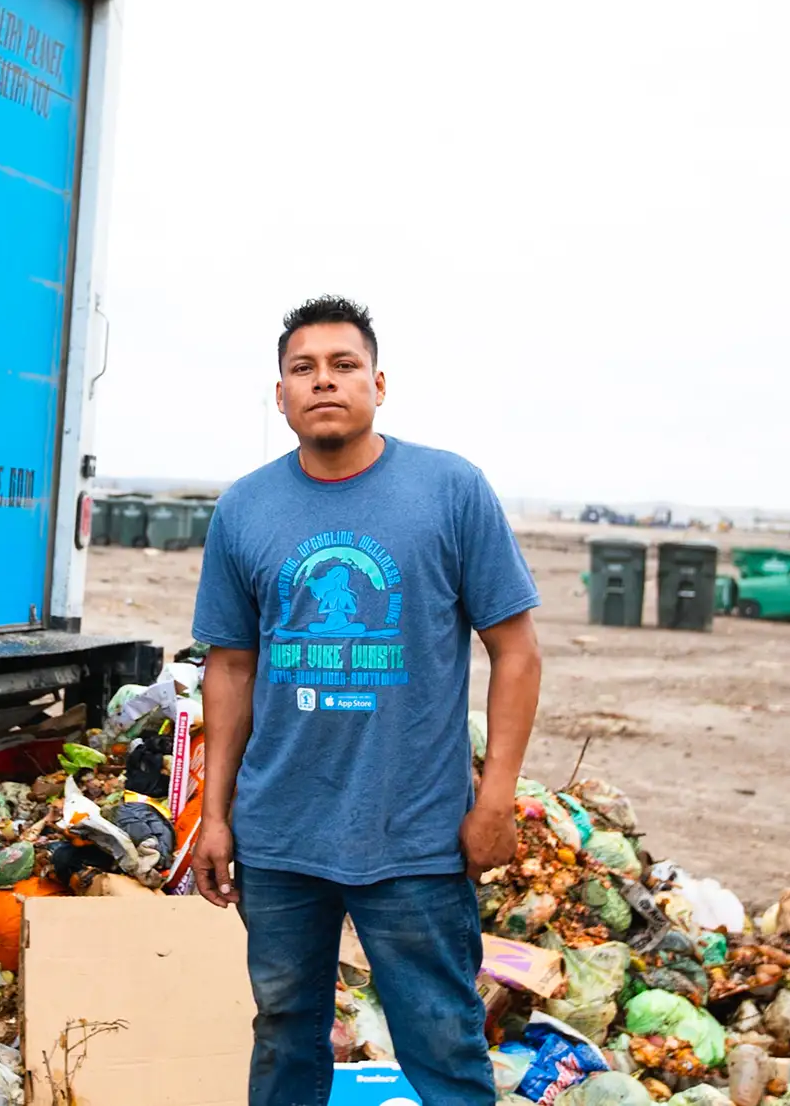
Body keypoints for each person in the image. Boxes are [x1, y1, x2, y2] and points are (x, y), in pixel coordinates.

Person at [190, 295, 543, 1106]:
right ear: (280, 394)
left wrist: (495, 801)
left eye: (344, 365)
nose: (324, 381)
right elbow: (231, 668)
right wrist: (214, 816)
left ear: (378, 385)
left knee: (443, 1041)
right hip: (280, 836)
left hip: (414, 835)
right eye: (303, 368)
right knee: (285, 1033)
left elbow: (517, 652)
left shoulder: (450, 490)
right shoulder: (245, 508)